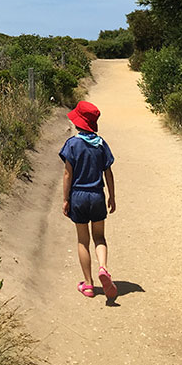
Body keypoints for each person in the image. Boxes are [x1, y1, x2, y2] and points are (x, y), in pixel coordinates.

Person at [59, 100, 118, 300]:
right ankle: (103, 268)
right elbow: (108, 173)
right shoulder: (101, 145)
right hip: (97, 196)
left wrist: (65, 199)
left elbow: (68, 175)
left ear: (78, 123)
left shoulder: (73, 144)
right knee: (99, 237)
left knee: (83, 240)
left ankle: (89, 284)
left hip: (78, 197)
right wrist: (112, 196)